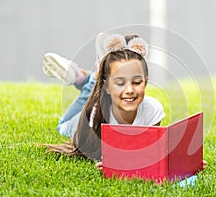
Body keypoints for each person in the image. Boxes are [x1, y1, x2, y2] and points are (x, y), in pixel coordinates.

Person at [42, 33, 166, 163]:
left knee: (100, 92)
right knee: (62, 126)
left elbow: (151, 151)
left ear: (145, 82)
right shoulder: (96, 114)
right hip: (78, 120)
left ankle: (86, 76)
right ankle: (87, 77)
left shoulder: (153, 109)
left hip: (107, 97)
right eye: (120, 83)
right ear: (107, 86)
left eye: (136, 82)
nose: (129, 90)